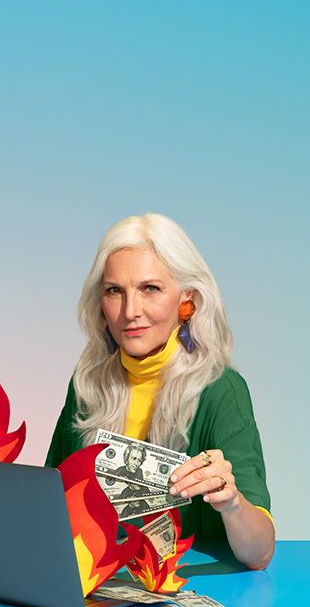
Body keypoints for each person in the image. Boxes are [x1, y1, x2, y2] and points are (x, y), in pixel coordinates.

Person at [45, 213, 275, 570]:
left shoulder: (221, 390)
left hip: (187, 603)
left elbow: (260, 553)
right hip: (95, 595)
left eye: (150, 289)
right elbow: (49, 512)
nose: (130, 311)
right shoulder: (86, 382)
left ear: (186, 299)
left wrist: (231, 503)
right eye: (114, 291)